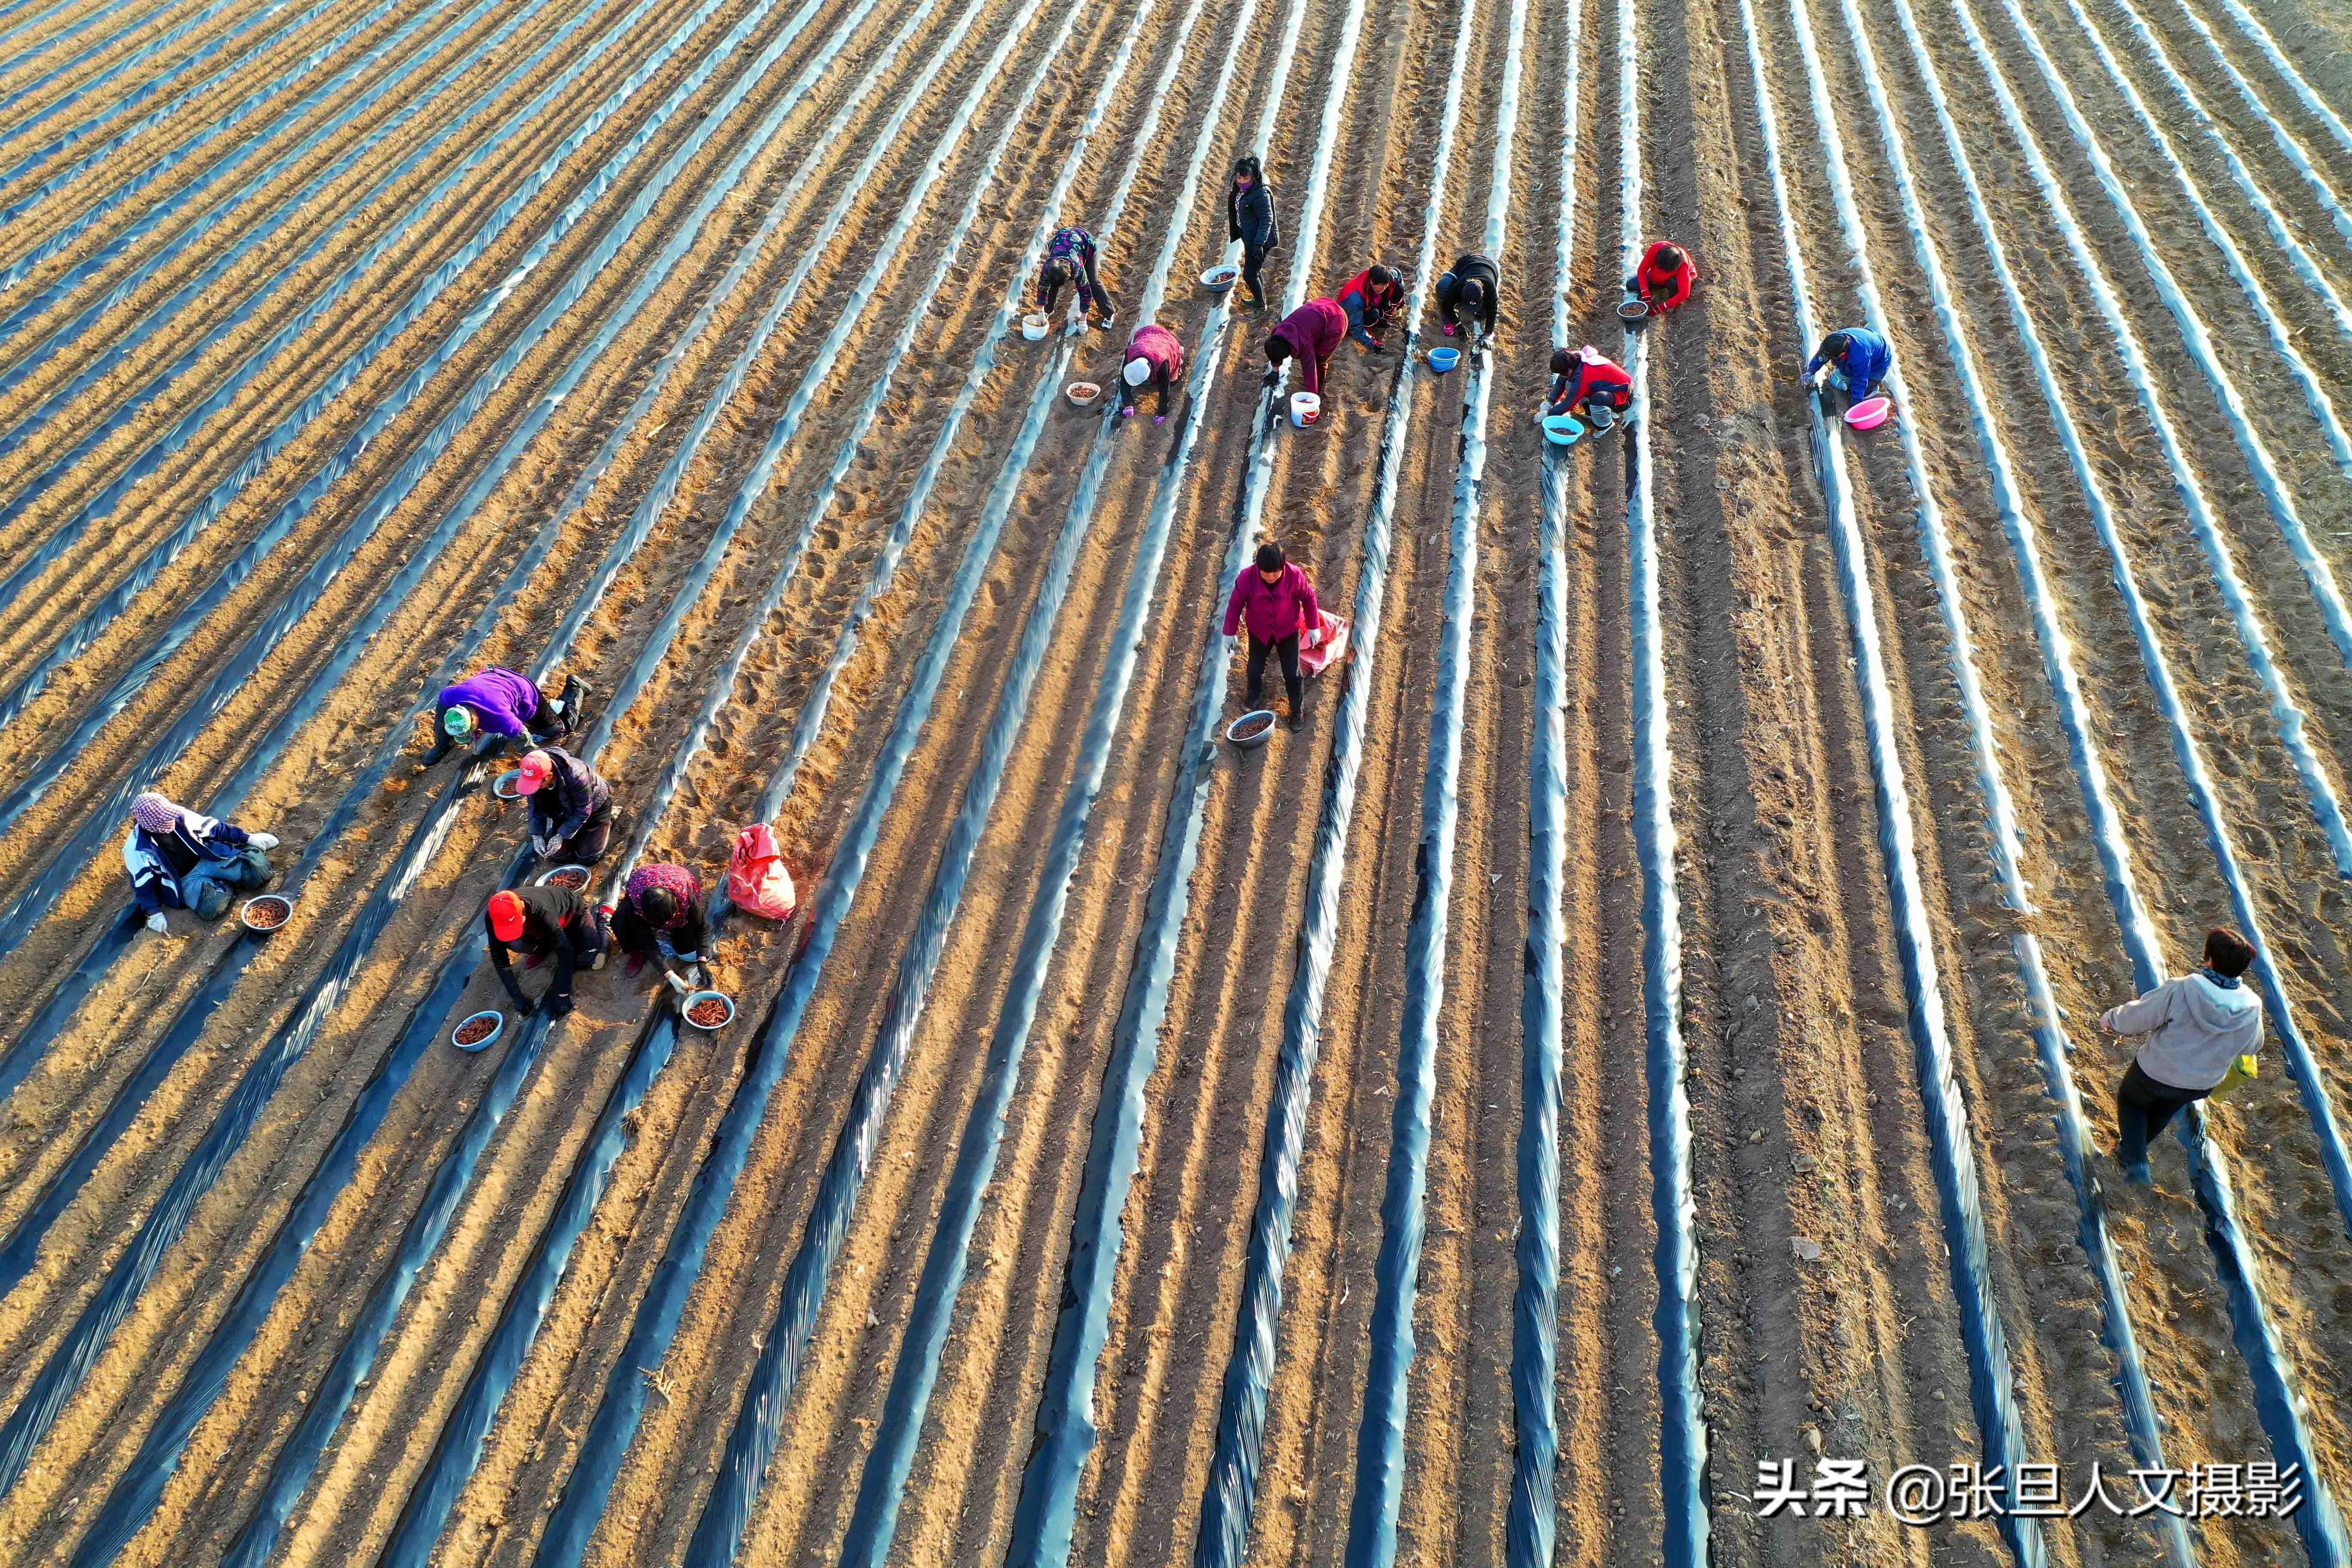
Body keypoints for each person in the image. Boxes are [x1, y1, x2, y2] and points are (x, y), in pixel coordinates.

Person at [2101, 927, 2263, 1185]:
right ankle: (2128, 1153)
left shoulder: (2183, 989)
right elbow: (2252, 1046)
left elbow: (2142, 1015)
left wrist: (2112, 1020)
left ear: (2209, 960)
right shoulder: (2251, 1008)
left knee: (2132, 1103)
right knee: (2164, 1110)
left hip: (2156, 1070)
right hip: (2199, 1084)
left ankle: (2136, 1161)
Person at [125, 791, 278, 930]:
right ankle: (221, 884)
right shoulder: (137, 849)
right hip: (185, 879)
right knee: (212, 908)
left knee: (259, 871)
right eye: (165, 820)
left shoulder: (178, 816)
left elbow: (215, 829)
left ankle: (225, 878)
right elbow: (142, 884)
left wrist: (248, 838)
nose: (170, 821)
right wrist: (154, 913)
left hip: (209, 858)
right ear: (151, 824)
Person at [1222, 541, 1322, 729]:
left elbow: (1309, 598)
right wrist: (1229, 631)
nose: (1271, 577)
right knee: (1254, 668)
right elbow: (1235, 604)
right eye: (1266, 573)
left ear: (1283, 567)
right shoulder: (1246, 578)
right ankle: (1254, 697)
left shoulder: (1294, 576)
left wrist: (1314, 626)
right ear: (1258, 568)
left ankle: (1297, 711)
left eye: (1276, 572)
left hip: (1288, 630)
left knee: (1292, 673)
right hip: (1259, 629)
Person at [485, 884, 607, 1020]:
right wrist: (517, 997)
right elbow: (499, 958)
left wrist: (562, 994)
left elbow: (566, 953)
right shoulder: (493, 916)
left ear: (522, 909)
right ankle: (544, 949)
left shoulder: (541, 909)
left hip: (572, 917)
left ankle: (604, 920)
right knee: (514, 942)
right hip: (542, 931)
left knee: (589, 956)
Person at [425, 667, 587, 764]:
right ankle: (442, 747)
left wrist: (538, 762)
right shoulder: (451, 699)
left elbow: (523, 738)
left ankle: (575, 688)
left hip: (523, 692)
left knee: (557, 729)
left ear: (474, 719)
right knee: (444, 731)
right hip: (491, 679)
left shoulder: (498, 716)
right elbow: (442, 708)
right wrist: (442, 743)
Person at [611, 861, 709, 993]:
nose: (664, 926)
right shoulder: (637, 906)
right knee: (620, 921)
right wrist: (671, 976)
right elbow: (648, 942)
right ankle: (637, 952)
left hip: (676, 878)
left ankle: (676, 930)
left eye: (668, 921)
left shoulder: (686, 898)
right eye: (659, 925)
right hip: (643, 882)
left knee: (688, 954)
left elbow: (702, 927)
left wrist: (702, 961)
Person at [518, 746, 614, 864]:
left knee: (587, 858)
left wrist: (560, 836)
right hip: (564, 810)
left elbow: (583, 811)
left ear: (549, 777)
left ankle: (607, 822)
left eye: (537, 784)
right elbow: (535, 807)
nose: (534, 788)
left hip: (593, 809)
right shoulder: (533, 777)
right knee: (558, 856)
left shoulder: (577, 776)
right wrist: (537, 835)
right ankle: (573, 833)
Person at [1264, 296, 1346, 400]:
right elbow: (1275, 352)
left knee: (1320, 359)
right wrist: (1275, 372)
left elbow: (1309, 370)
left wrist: (1312, 398)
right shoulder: (1278, 333)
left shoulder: (1303, 344)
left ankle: (1319, 390)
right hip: (1323, 306)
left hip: (1337, 322)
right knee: (1314, 344)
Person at [1226, 155, 1280, 309]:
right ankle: (1259, 298)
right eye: (1239, 178)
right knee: (1255, 270)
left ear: (1254, 177)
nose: (1242, 181)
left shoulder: (1261, 195)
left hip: (1261, 240)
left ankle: (1261, 306)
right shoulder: (1241, 190)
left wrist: (1259, 244)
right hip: (1249, 236)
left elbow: (1267, 221)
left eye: (1246, 178)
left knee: (1249, 275)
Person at [1038, 225, 1116, 328]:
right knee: (1054, 281)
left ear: (1070, 275)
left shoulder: (1077, 268)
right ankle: (1048, 311)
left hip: (1086, 243)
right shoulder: (1049, 267)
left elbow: (1085, 292)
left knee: (1093, 282)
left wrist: (1083, 321)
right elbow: (1042, 288)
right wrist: (1041, 311)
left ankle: (1110, 314)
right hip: (1063, 237)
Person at [1544, 345, 1633, 429]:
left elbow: (1569, 403)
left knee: (1597, 398)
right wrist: (1550, 402)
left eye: (1562, 373)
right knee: (1569, 384)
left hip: (1624, 397)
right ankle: (1592, 413)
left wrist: (1549, 414)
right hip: (1609, 389)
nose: (1562, 376)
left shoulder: (1582, 375)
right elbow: (1561, 381)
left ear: (1569, 370)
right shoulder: (1574, 361)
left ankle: (1605, 425)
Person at [1804, 326, 1891, 410]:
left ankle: (1872, 390)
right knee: (1836, 381)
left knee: (1863, 393)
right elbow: (1821, 357)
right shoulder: (1832, 341)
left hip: (1880, 362)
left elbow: (1860, 381)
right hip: (1866, 346)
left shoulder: (1860, 356)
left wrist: (1856, 405)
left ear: (1842, 354)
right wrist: (1810, 372)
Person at [1118, 322, 1185, 420]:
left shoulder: (1162, 364)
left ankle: (1180, 351)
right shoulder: (1131, 352)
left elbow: (1165, 389)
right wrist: (1128, 404)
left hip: (1167, 343)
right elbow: (1124, 379)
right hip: (1148, 333)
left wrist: (1162, 413)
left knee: (1173, 381)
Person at [1335, 263, 1404, 352]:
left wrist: (1398, 302)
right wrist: (1372, 344)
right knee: (1373, 316)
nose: (1384, 288)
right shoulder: (1355, 300)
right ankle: (1371, 326)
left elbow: (1398, 276)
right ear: (1372, 282)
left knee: (1398, 289)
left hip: (1369, 302)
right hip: (1349, 317)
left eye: (1386, 285)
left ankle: (1383, 320)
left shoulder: (1388, 277)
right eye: (1381, 285)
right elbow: (1356, 328)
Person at [1433, 251, 1500, 341]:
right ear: (1462, 294)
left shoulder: (1490, 288)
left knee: (1484, 313)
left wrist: (1488, 335)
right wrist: (1458, 326)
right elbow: (1447, 305)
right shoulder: (1460, 286)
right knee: (1443, 285)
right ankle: (1448, 322)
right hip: (1467, 262)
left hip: (1490, 266)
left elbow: (1493, 310)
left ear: (1483, 295)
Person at [1625, 240, 1696, 315]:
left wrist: (1662, 307)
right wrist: (1645, 293)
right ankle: (1658, 287)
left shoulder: (1683, 265)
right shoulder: (1656, 248)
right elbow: (1642, 271)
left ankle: (1672, 301)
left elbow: (1684, 293)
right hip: (1655, 277)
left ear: (1675, 268)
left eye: (1665, 271)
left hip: (1674, 281)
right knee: (1631, 285)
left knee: (1673, 283)